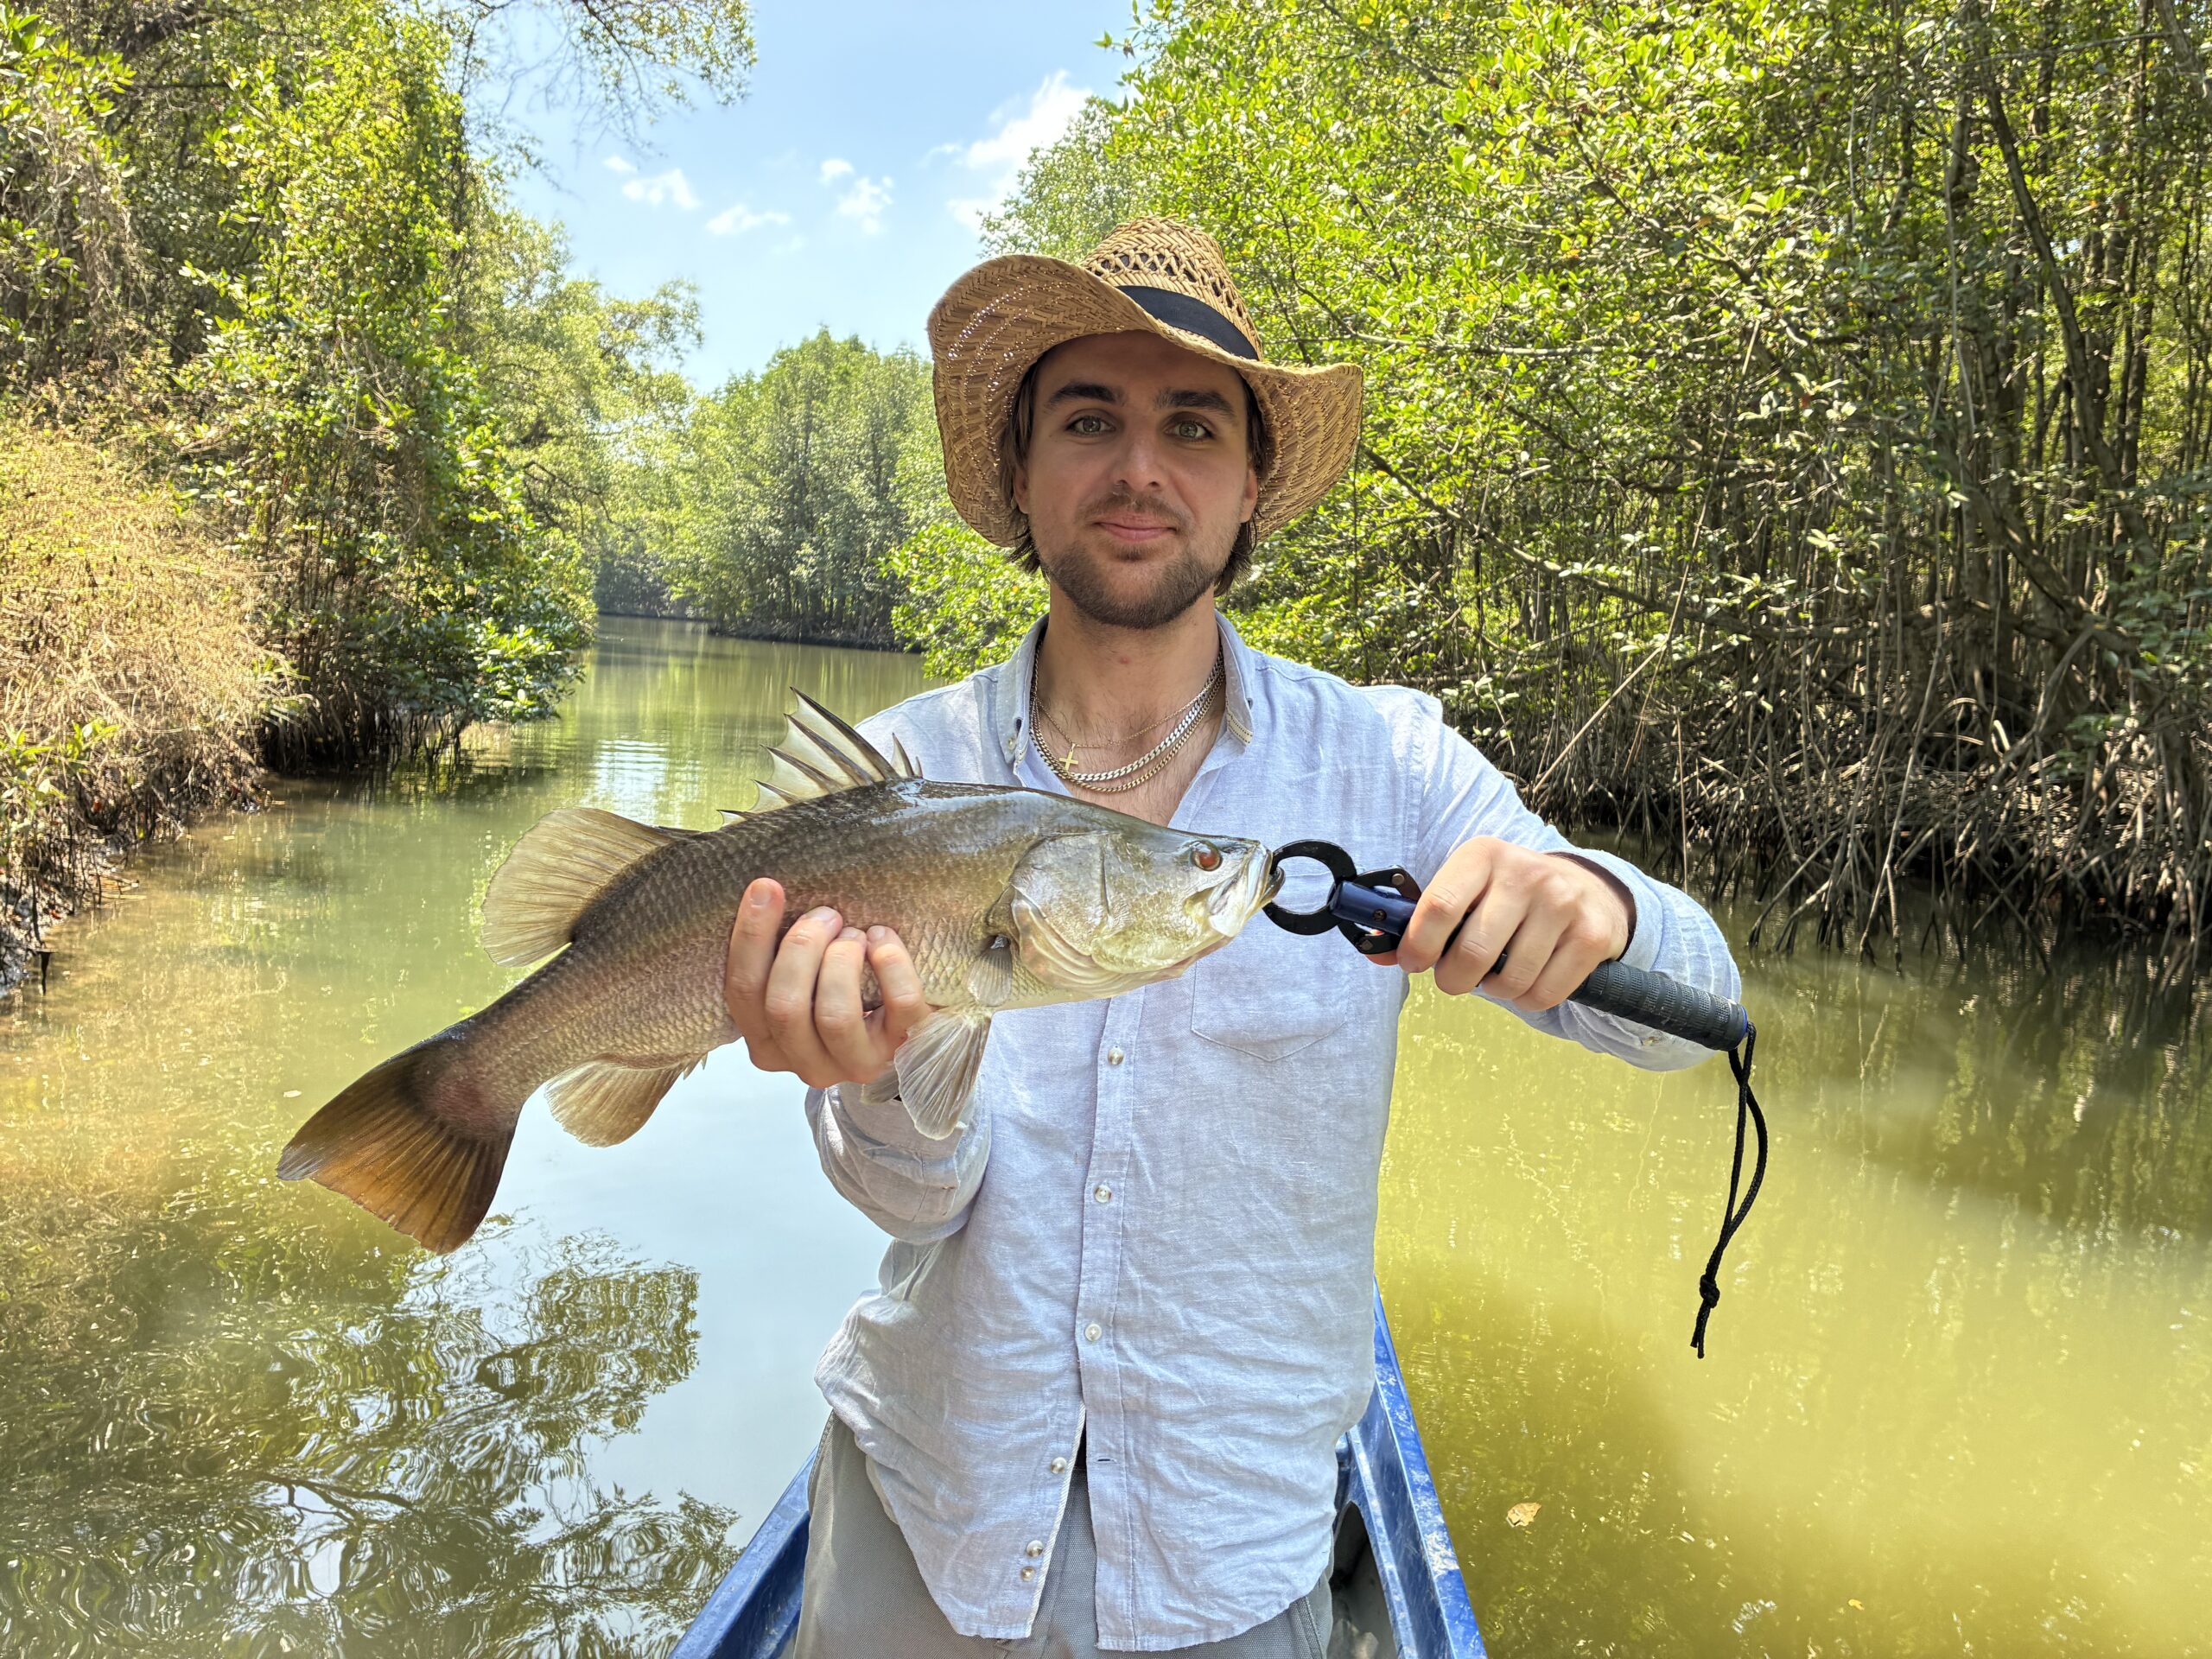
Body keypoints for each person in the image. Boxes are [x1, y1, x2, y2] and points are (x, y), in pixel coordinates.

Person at [721, 219, 1741, 1658]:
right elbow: (913, 1208)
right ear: (1020, 472)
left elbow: (1687, 1009)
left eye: (1191, 427)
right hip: (923, 1512)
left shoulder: (1389, 765)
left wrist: (1607, 904)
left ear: (1250, 484)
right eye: (1089, 420)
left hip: (1227, 1561)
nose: (1140, 469)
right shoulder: (896, 775)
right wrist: (876, 1074)